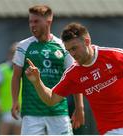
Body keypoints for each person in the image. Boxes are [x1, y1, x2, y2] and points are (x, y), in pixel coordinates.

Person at [25, 22, 123, 135]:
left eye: (74, 48)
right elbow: (51, 99)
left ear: (87, 41)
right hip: (111, 130)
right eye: (68, 50)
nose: (72, 54)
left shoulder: (113, 55)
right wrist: (37, 82)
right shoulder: (73, 74)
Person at [11, 6, 84, 135]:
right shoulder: (23, 46)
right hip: (32, 113)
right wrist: (15, 100)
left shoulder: (62, 47)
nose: (32, 25)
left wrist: (79, 107)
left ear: (48, 22)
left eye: (36, 21)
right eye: (30, 22)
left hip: (58, 112)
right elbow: (16, 76)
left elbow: (74, 78)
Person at [0, 43, 21, 135]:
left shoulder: (24, 69)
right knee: (4, 132)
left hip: (21, 108)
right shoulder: (2, 69)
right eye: (14, 53)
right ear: (10, 54)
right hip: (5, 107)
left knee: (18, 133)